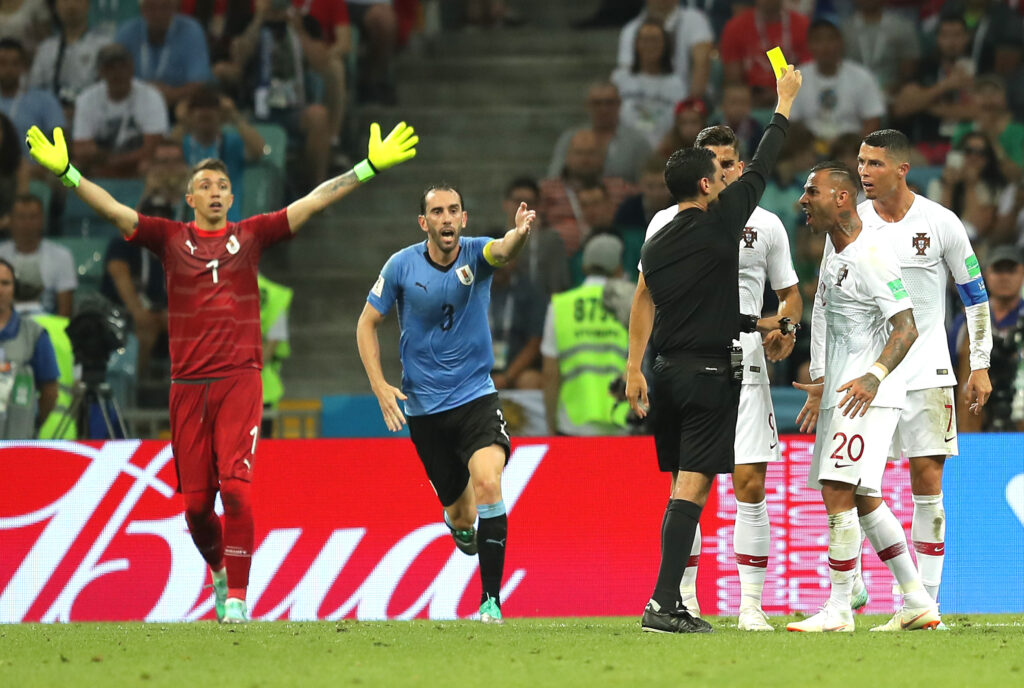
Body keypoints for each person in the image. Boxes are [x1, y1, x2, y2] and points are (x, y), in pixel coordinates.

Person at [25, 118, 417, 623]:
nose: (215, 191)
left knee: (235, 488)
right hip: (187, 387)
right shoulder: (169, 240)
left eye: (223, 185)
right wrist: (68, 175)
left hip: (239, 379)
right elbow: (117, 211)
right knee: (194, 508)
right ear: (190, 199)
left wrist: (366, 168)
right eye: (205, 185)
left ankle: (237, 601)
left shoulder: (250, 237)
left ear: (232, 198)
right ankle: (218, 570)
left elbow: (313, 202)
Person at [624, 61, 801, 634]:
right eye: (716, 170)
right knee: (692, 489)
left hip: (672, 367)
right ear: (707, 183)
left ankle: (701, 604)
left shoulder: (658, 240)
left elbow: (661, 296)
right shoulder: (723, 222)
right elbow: (769, 160)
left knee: (698, 487)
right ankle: (666, 603)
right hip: (711, 369)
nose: (726, 177)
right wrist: (784, 102)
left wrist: (778, 325)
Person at [356, 185, 536, 625]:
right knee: (462, 510)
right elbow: (366, 324)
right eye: (437, 212)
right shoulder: (401, 265)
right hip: (425, 410)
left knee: (489, 484)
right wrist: (380, 386)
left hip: (476, 397)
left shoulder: (477, 254)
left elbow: (504, 249)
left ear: (464, 218)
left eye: (453, 210)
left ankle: (490, 602)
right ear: (425, 223)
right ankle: (457, 522)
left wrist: (520, 234)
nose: (447, 218)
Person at [841, 129, 993, 629]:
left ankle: (924, 605)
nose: (864, 171)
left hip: (928, 369)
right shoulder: (851, 223)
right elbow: (834, 297)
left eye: (875, 164)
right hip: (870, 373)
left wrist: (981, 363)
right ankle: (857, 583)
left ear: (903, 169)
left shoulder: (941, 222)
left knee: (928, 486)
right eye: (861, 162)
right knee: (860, 485)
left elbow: (974, 294)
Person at [787, 161, 938, 633]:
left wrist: (872, 377)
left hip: (867, 394)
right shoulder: (835, 252)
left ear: (841, 198)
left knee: (838, 489)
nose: (802, 200)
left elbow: (906, 326)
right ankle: (915, 599)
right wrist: (821, 384)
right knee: (865, 496)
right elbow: (837, 326)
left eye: (812, 192)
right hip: (842, 390)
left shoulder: (871, 253)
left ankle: (838, 608)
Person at [541, 234, 630, 436]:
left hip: (572, 422)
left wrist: (550, 424)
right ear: (618, 268)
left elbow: (550, 374)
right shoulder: (632, 303)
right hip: (621, 421)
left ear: (584, 266)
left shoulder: (560, 306)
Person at [950, 245, 1024, 431]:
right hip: (974, 409)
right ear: (985, 274)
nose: (1004, 277)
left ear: (1022, 273)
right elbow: (951, 367)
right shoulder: (966, 319)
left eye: (1011, 270)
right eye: (998, 270)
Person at [72, 43, 169, 179]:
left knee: (157, 161)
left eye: (123, 66)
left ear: (131, 68)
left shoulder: (151, 96)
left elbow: (152, 147)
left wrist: (113, 161)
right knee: (71, 169)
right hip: (100, 166)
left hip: (136, 165)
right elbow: (81, 149)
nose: (118, 73)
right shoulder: (87, 99)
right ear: (101, 72)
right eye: (110, 67)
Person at [171, 87, 265, 223]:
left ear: (221, 114)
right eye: (198, 107)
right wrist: (184, 120)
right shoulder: (183, 144)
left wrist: (234, 116)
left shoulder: (231, 142)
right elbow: (165, 152)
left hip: (225, 221)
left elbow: (259, 150)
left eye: (211, 107)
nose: (205, 112)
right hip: (186, 222)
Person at [788, 20, 886, 147]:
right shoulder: (796, 77)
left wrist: (859, 150)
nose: (825, 46)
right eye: (818, 40)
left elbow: (872, 122)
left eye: (831, 39)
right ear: (809, 45)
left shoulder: (862, 76)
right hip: (808, 149)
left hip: (852, 148)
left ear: (841, 43)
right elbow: (789, 123)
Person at [115, 0, 213, 110]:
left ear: (175, 7)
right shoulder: (127, 32)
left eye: (165, 7)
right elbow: (112, 77)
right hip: (133, 104)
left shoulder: (191, 30)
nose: (158, 14)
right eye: (151, 7)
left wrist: (168, 95)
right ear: (142, 9)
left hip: (178, 105)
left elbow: (199, 82)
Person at [0, 257, 59, 439]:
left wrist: (34, 424)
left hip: (17, 444)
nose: (0, 289)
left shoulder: (34, 334)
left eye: (5, 283)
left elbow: (50, 391)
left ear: (14, 289)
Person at [548, 82, 653, 184]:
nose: (604, 109)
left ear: (619, 104)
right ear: (587, 105)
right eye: (597, 103)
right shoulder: (570, 138)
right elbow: (554, 178)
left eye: (609, 103)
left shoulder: (637, 142)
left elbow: (647, 184)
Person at [616, 0, 713, 100]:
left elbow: (702, 62)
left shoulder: (694, 19)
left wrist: (690, 105)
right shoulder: (631, 29)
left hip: (684, 96)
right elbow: (627, 70)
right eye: (646, 40)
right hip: (640, 96)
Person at [27, 0, 112, 114]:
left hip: (92, 114)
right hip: (51, 116)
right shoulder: (46, 49)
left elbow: (108, 89)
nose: (71, 5)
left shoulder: (104, 45)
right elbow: (35, 90)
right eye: (64, 1)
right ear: (56, 7)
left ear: (88, 4)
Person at [0, 194, 77, 317]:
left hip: (47, 329)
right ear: (11, 220)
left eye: (33, 217)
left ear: (42, 219)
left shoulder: (62, 256)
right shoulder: (1, 254)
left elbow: (65, 313)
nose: (27, 223)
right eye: (21, 217)